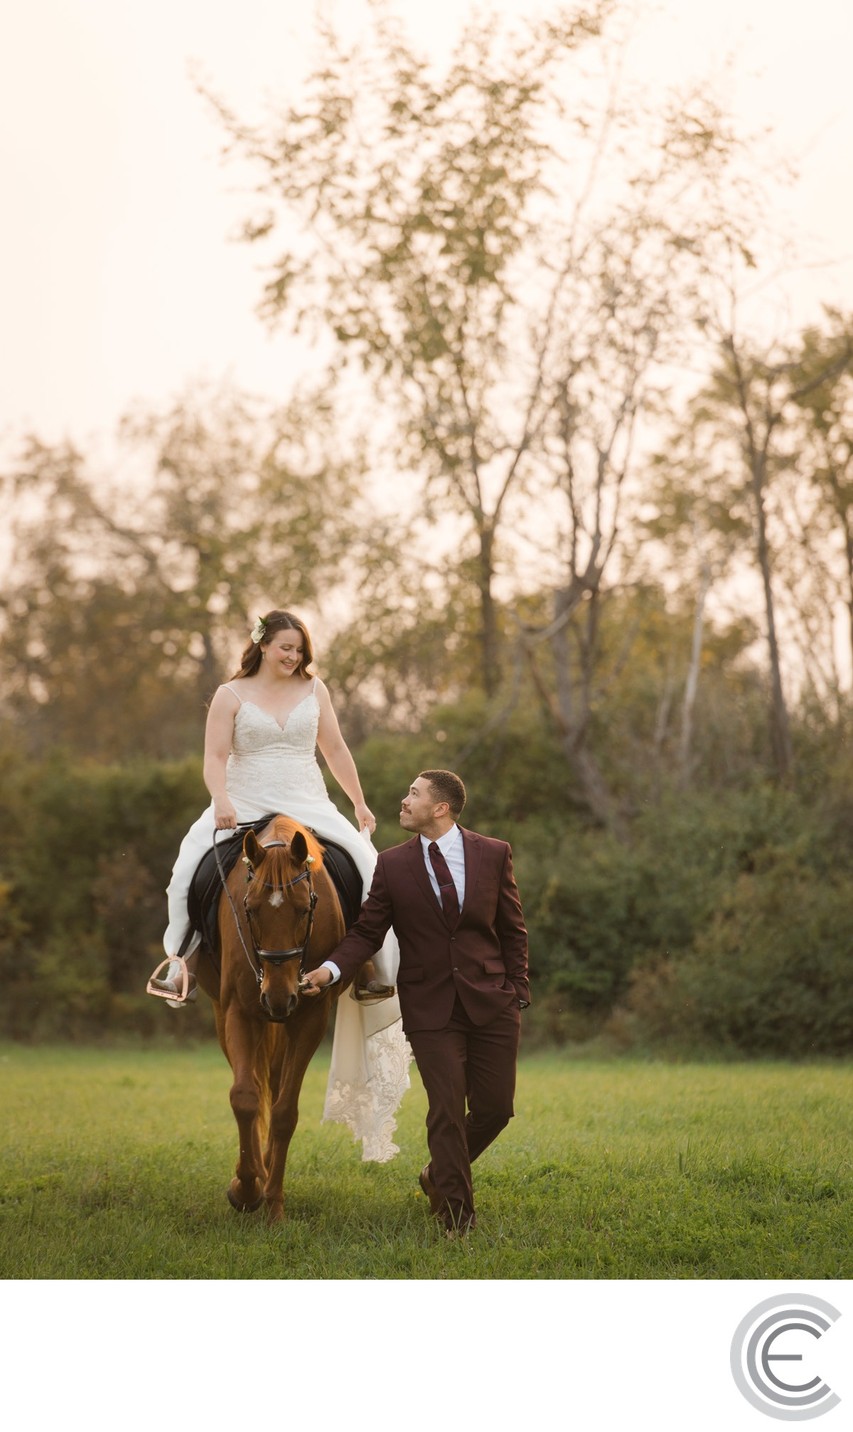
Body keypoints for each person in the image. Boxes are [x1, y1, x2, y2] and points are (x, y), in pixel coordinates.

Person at [148, 608, 411, 1163]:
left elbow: (335, 750)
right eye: (284, 647)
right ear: (263, 645)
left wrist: (358, 801)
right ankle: (182, 962)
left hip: (308, 802)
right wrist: (221, 800)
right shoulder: (230, 694)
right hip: (241, 801)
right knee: (184, 872)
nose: (293, 657)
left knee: (367, 865)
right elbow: (215, 756)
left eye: (299, 649)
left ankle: (371, 970)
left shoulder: (315, 690)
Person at [302, 769, 530, 1236]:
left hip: (492, 1003)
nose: (403, 801)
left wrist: (517, 990)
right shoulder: (392, 864)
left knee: (495, 1109)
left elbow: (512, 929)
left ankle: (435, 1175)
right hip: (430, 1008)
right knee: (446, 1108)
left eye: (414, 794)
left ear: (440, 807)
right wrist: (331, 970)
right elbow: (368, 932)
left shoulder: (493, 854)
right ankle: (457, 1220)